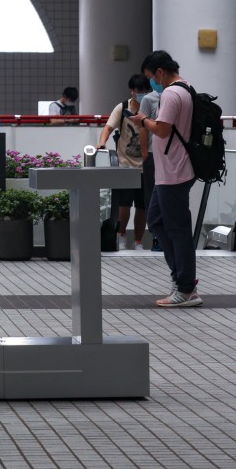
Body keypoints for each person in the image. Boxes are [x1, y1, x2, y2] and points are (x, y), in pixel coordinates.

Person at [129, 50, 202, 308]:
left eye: (151, 77)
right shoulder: (185, 88)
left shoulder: (171, 93)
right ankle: (180, 278)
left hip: (174, 171)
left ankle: (186, 288)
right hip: (168, 171)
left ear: (160, 72)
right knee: (157, 220)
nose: (151, 82)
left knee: (178, 228)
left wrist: (143, 119)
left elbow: (162, 129)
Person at [97, 74, 148, 250]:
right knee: (123, 205)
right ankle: (122, 235)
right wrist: (102, 142)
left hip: (145, 165)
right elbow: (108, 127)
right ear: (131, 91)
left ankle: (138, 241)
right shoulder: (122, 107)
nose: (141, 95)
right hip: (125, 165)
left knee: (143, 207)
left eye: (144, 91)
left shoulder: (150, 107)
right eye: (138, 91)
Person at [138, 79, 162, 251]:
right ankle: (156, 236)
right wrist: (145, 153)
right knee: (152, 195)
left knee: (168, 195)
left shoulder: (175, 96)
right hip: (153, 155)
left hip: (171, 156)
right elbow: (142, 127)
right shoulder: (148, 99)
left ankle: (166, 235)